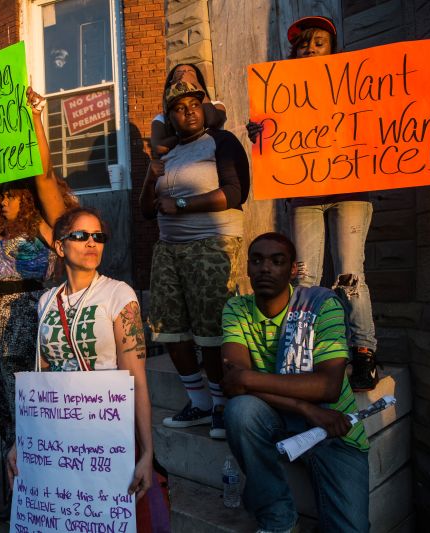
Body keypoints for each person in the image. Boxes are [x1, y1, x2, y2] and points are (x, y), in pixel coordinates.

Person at [247, 15, 430, 391]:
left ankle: (363, 352)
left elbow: (397, 108)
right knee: (305, 277)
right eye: (303, 44)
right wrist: (261, 131)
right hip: (304, 195)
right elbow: (275, 143)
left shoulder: (356, 84)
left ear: (333, 48)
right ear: (293, 53)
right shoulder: (283, 96)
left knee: (349, 276)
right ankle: (304, 353)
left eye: (319, 42)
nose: (310, 49)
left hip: (350, 191)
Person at [7, 207, 162, 529]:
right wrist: (23, 441)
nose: (91, 243)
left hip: (108, 430)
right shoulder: (46, 301)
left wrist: (147, 452)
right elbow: (43, 379)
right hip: (59, 433)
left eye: (98, 236)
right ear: (60, 246)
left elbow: (138, 380)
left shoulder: (118, 294)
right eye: (80, 235)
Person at [0, 87, 75, 519]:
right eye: (2, 194)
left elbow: (44, 172)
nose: (2, 198)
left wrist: (33, 114)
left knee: (24, 405)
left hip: (24, 315)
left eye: (11, 193)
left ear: (25, 194)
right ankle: (17, 500)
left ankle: (34, 500)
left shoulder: (49, 221)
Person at [221, 232, 369, 532]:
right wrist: (304, 407)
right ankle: (277, 517)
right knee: (239, 411)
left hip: (331, 421)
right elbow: (234, 387)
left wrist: (248, 377)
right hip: (281, 415)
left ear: (292, 270)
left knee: (350, 528)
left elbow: (327, 386)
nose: (265, 268)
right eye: (258, 260)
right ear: (248, 267)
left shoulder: (321, 305)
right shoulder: (236, 309)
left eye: (277, 261)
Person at [140, 80, 250, 439]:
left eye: (194, 104)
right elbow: (146, 210)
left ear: (205, 109)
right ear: (169, 117)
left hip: (212, 245)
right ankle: (199, 402)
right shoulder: (165, 154)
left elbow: (236, 192)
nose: (188, 111)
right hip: (169, 249)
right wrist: (148, 177)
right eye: (178, 107)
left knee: (212, 328)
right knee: (168, 327)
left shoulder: (221, 141)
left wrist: (183, 204)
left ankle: (222, 404)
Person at [150, 63, 227, 157]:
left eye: (190, 72)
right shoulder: (161, 118)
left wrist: (195, 84)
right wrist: (185, 136)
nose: (185, 74)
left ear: (199, 80)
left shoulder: (216, 105)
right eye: (180, 72)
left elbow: (213, 122)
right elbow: (159, 147)